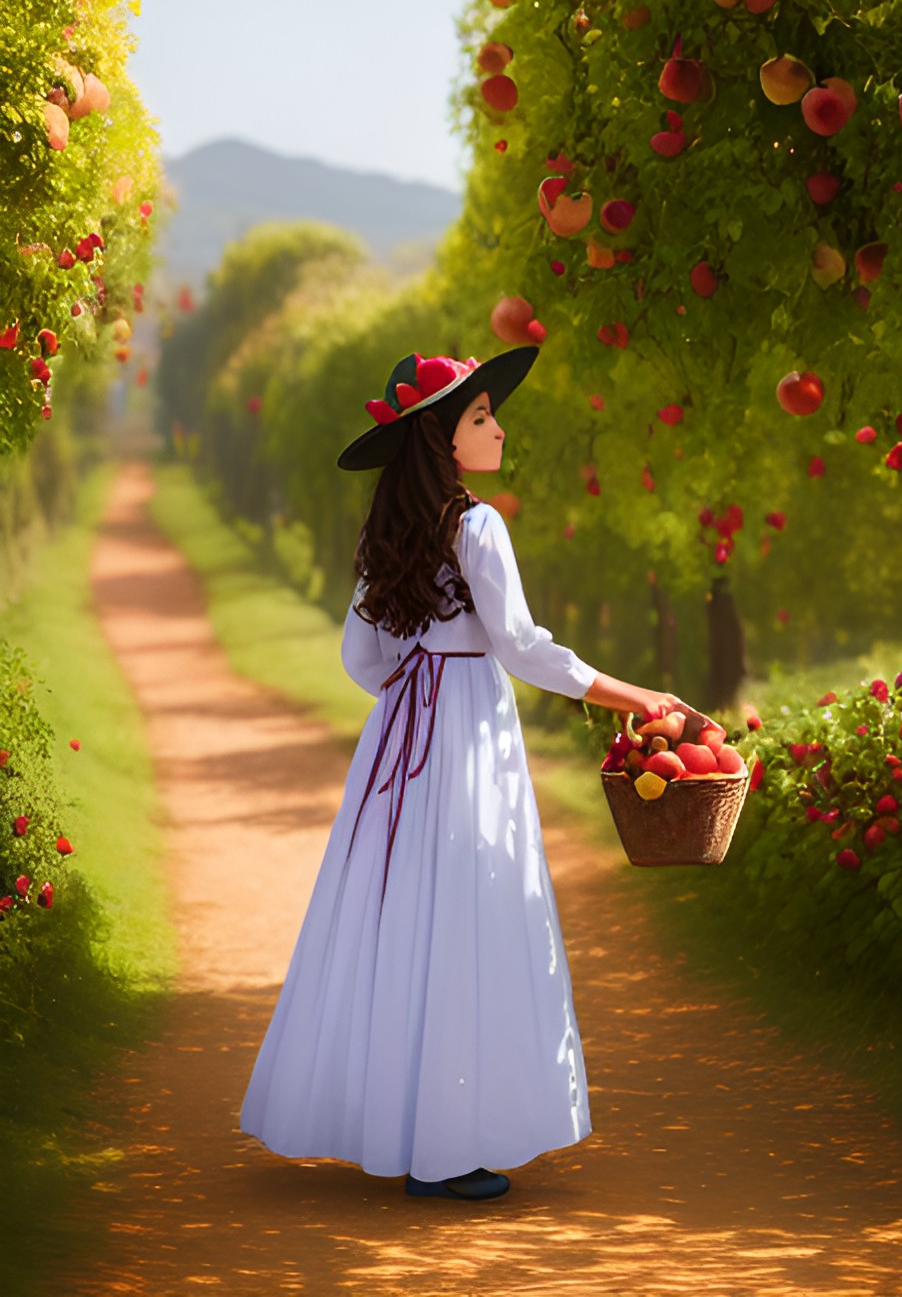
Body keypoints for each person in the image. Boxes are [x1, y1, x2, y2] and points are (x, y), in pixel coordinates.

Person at [238, 344, 694, 1202]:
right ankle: (445, 1148)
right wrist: (634, 695)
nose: (498, 428)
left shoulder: (389, 534)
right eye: (482, 417)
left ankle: (407, 1130)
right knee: (470, 910)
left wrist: (417, 680)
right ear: (444, 438)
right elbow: (521, 646)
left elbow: (360, 657)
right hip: (467, 732)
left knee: (402, 912)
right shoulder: (478, 524)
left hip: (400, 737)